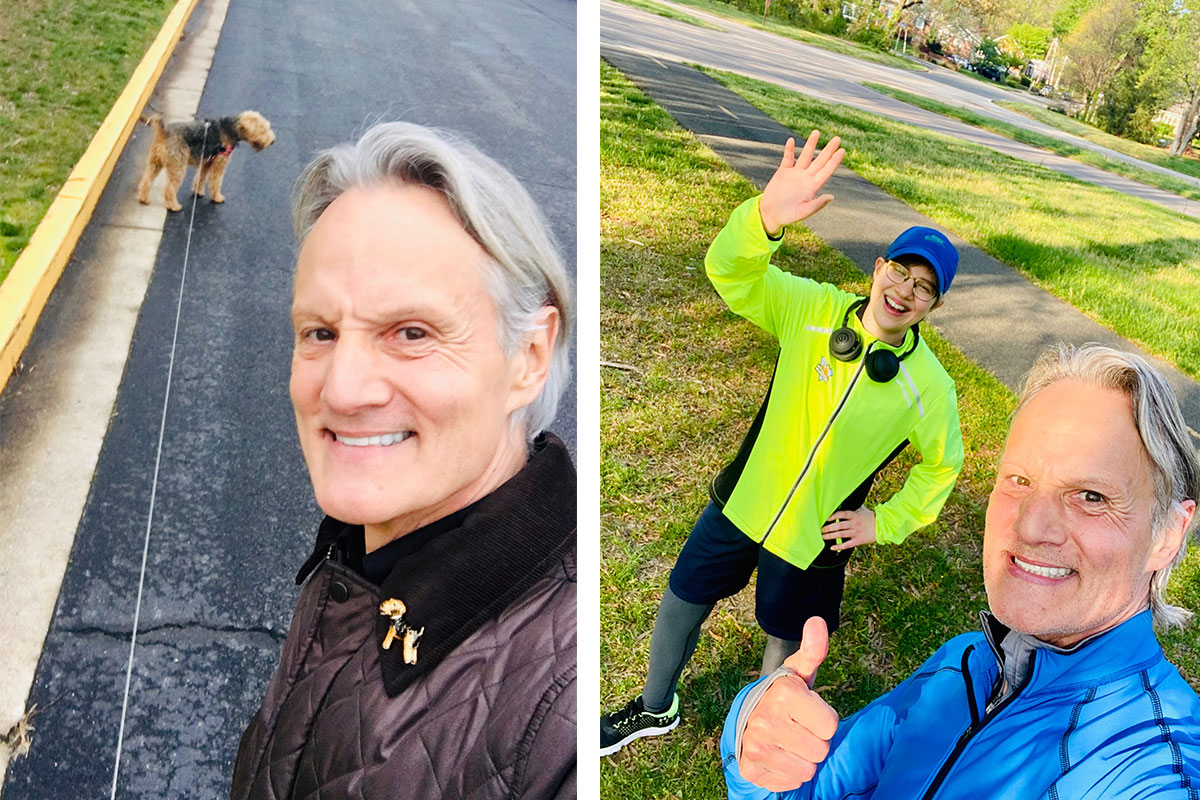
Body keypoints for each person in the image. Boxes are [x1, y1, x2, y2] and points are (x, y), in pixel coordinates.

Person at [230, 122, 575, 800]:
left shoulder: (561, 717)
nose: (342, 390)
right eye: (320, 333)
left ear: (528, 360)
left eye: (411, 333)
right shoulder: (366, 556)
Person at [601, 130, 965, 756]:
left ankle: (754, 749)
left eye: (924, 287)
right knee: (684, 593)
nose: (905, 290)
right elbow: (732, 273)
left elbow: (943, 466)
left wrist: (885, 521)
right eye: (900, 271)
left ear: (932, 307)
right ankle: (653, 707)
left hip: (813, 537)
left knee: (785, 641)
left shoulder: (928, 387)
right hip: (743, 500)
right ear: (878, 269)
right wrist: (764, 218)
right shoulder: (810, 307)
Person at [724, 343, 1200, 799]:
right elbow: (803, 791)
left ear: (1169, 534)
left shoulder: (1152, 764)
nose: (1030, 526)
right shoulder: (967, 663)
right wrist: (754, 739)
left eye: (1090, 497)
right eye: (1019, 480)